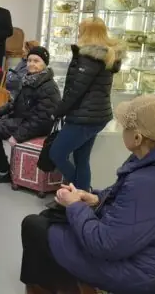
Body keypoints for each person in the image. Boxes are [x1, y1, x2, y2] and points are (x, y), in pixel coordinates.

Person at [20, 94, 155, 294]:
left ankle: (47, 287)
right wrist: (96, 198)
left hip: (139, 273)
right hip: (153, 257)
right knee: (52, 217)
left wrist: (75, 205)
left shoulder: (149, 183)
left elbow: (105, 244)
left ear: (137, 138)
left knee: (34, 225)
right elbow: (130, 202)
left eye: (125, 127)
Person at [49, 18, 124, 191]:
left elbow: (75, 91)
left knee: (57, 153)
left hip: (83, 116)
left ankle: (79, 192)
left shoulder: (89, 57)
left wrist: (58, 111)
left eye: (80, 29)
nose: (78, 33)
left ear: (87, 32)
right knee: (82, 159)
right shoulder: (106, 56)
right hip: (98, 115)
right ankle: (82, 196)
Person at [0, 46, 60, 184]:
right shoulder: (29, 79)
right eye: (29, 60)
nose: (31, 64)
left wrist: (18, 136)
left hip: (36, 125)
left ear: (45, 64)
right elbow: (14, 103)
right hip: (22, 119)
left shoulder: (49, 87)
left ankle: (3, 170)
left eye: (36, 61)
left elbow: (41, 119)